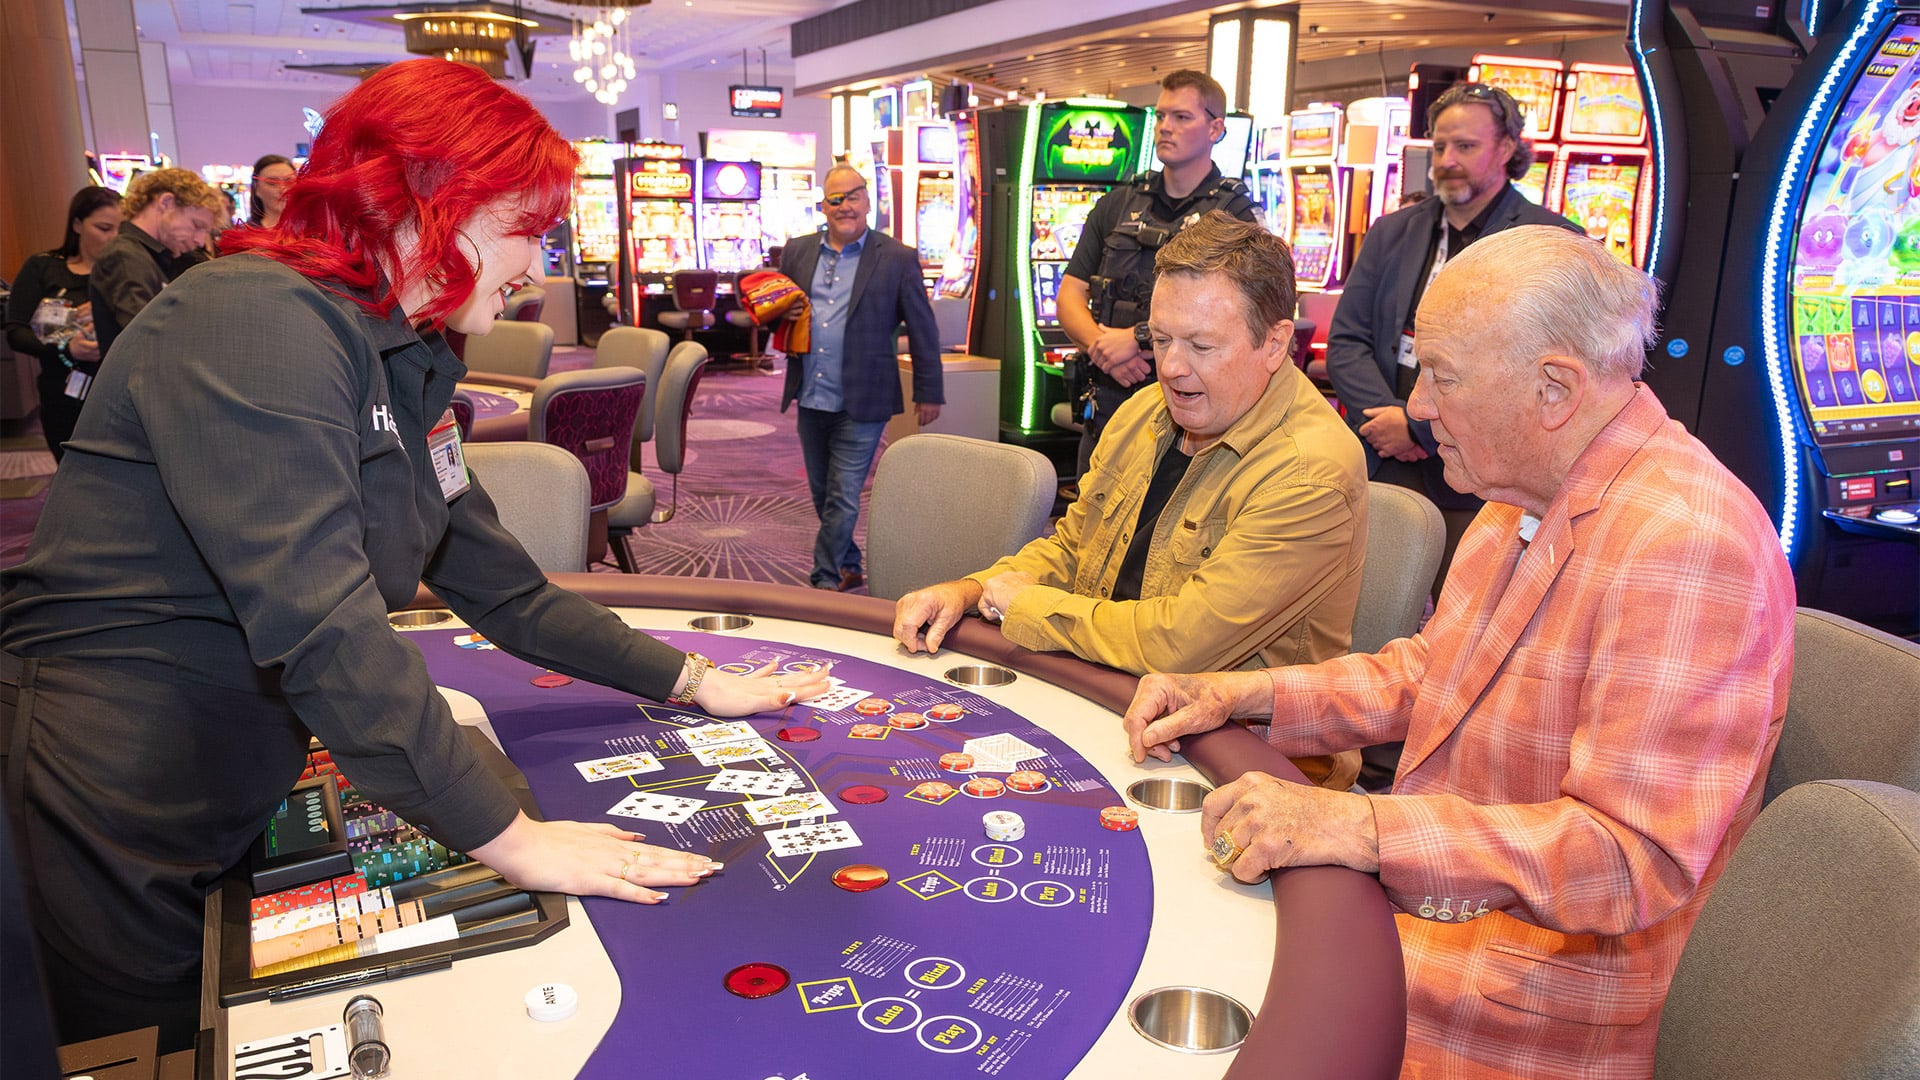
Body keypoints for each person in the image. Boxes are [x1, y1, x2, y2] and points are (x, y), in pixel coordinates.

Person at [0, 59, 828, 1052]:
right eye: (526, 226)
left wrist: (693, 680)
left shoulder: (402, 350)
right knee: (165, 1054)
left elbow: (504, 588)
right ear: (432, 199)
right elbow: (322, 616)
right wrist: (509, 839)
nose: (536, 265)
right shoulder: (253, 315)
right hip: (119, 796)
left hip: (230, 762)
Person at [1123, 226, 1796, 1080]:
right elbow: (1427, 674)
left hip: (1531, 996)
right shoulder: (1522, 491)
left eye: (1443, 376)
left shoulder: (1687, 545)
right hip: (1432, 923)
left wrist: (1359, 825)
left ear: (1554, 388)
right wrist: (1238, 696)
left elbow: (1627, 859)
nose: (1419, 404)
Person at [895, 211, 1367, 787]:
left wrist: (1028, 607)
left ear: (1274, 344)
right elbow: (1073, 548)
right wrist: (970, 589)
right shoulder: (1147, 411)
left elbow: (1181, 645)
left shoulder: (1310, 473)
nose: (1171, 368)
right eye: (1160, 339)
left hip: (1248, 762)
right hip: (1109, 694)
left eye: (1202, 345)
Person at [1326, 82, 1578, 599]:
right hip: (1383, 459)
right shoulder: (1392, 231)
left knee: (1466, 618)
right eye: (1440, 146)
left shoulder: (1549, 240)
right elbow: (1348, 341)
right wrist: (1388, 421)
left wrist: (1417, 427)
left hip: (1486, 481)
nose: (1446, 161)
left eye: (1465, 146)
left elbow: (1539, 370)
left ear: (1506, 149)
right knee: (1369, 607)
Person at [1057, 69, 1261, 481]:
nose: (1166, 127)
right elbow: (1069, 297)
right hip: (1109, 402)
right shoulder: (1116, 205)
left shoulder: (1234, 214)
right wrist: (1102, 347)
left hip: (1190, 417)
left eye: (1182, 117)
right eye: (1162, 116)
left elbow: (1244, 318)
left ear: (1215, 129)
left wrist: (1136, 339)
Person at [778, 164, 943, 592]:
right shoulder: (797, 251)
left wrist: (929, 390)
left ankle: (824, 580)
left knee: (843, 495)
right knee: (822, 494)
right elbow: (776, 307)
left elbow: (923, 329)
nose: (845, 206)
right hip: (811, 392)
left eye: (853, 196)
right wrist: (782, 313)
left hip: (865, 398)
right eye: (836, 199)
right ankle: (849, 563)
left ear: (868, 201)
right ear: (823, 206)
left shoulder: (897, 257)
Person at [4, 186, 121, 459]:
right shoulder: (43, 267)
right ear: (77, 224)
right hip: (62, 392)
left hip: (118, 392)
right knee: (71, 469)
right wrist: (66, 347)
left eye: (120, 230)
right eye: (104, 228)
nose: (114, 238)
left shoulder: (128, 274)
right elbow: (16, 333)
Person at [87, 166, 225, 356]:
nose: (200, 240)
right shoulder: (126, 255)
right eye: (196, 225)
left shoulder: (150, 257)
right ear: (166, 202)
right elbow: (144, 339)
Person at [248, 153, 296, 228]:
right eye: (272, 183)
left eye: (289, 181)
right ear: (256, 188)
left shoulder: (312, 229)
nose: (283, 189)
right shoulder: (243, 233)